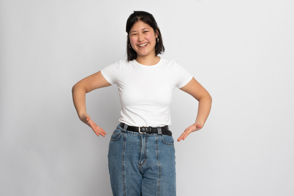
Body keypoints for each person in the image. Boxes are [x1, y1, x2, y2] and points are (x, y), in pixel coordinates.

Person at [72, 10, 212, 196]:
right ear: (129, 39)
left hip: (161, 145)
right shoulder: (121, 68)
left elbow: (205, 96)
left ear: (156, 33)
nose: (140, 38)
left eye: (145, 31)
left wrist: (199, 122)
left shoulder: (172, 69)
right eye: (134, 34)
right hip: (124, 145)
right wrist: (83, 115)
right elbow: (80, 87)